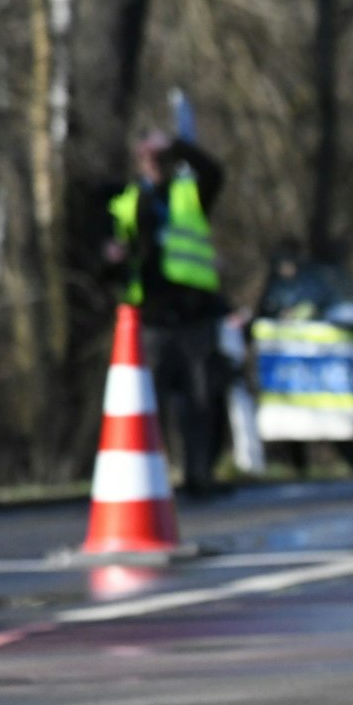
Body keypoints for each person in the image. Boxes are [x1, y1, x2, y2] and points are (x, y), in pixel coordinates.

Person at [106, 132, 229, 496]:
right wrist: (111, 259)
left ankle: (199, 475)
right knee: (149, 404)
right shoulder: (129, 201)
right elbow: (113, 254)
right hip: (152, 318)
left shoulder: (191, 192)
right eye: (148, 159)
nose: (154, 165)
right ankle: (152, 479)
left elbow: (214, 172)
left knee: (201, 399)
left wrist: (178, 144)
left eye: (161, 159)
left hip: (195, 313)